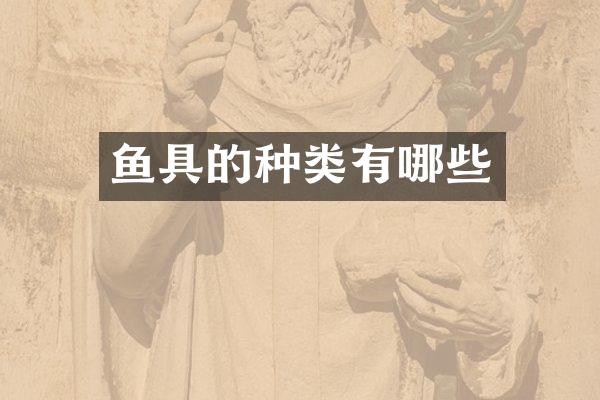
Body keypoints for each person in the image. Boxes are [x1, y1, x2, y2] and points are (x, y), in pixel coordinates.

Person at [72, 0, 540, 399]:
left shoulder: (415, 108)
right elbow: (121, 267)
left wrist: (494, 327)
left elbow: (500, 292)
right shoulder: (200, 95)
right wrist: (180, 126)